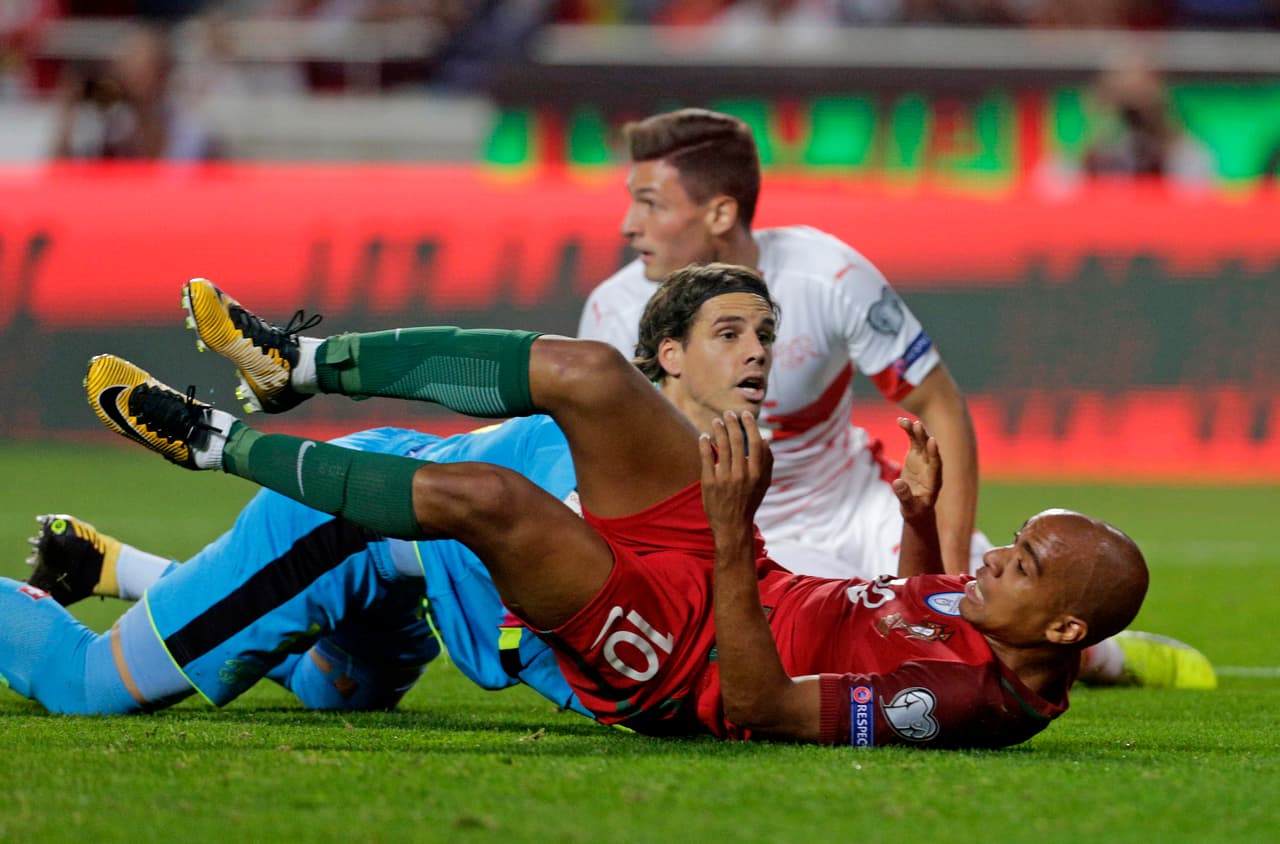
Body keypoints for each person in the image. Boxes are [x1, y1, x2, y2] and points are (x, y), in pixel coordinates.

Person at [74, 268, 1150, 747]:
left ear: (1060, 629)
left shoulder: (970, 707)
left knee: (482, 500)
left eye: (1021, 561)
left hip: (682, 662)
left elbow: (761, 707)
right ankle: (293, 362)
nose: (994, 555)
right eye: (1014, 540)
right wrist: (918, 520)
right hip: (731, 579)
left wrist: (733, 536)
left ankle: (215, 443)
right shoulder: (986, 619)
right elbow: (909, 601)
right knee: (586, 369)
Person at [578, 107, 1215, 690]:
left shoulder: (824, 274)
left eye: (651, 204)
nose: (629, 225)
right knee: (857, 648)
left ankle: (1106, 656)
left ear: (719, 213)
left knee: (985, 611)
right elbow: (603, 466)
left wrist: (948, 565)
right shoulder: (612, 312)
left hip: (860, 508)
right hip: (744, 531)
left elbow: (939, 404)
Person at [1, 267, 781, 716]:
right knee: (89, 686)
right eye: (731, 335)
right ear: (669, 357)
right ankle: (267, 390)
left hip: (415, 577)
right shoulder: (596, 445)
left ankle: (115, 567)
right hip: (348, 514)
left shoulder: (718, 467)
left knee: (340, 695)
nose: (758, 355)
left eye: (766, 337)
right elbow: (543, 638)